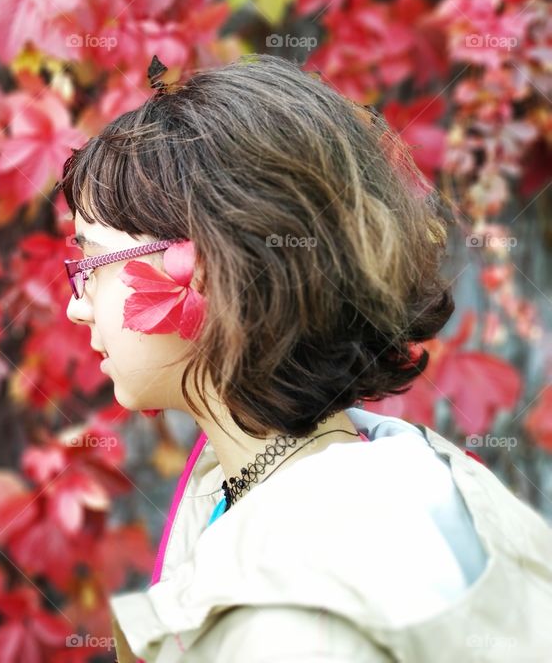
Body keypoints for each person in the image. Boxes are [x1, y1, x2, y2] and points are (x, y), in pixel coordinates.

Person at [58, 54, 552, 662]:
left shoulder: (299, 623)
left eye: (89, 266)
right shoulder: (286, 482)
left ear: (207, 271)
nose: (76, 308)